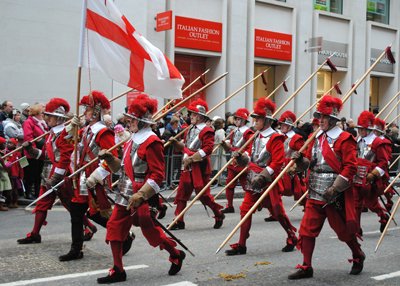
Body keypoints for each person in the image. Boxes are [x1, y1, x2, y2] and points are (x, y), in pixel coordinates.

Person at [96, 93, 185, 284]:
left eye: (132, 120)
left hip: (142, 194)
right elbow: (124, 168)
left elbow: (158, 176)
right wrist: (110, 159)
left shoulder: (152, 142)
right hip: (124, 192)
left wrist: (141, 194)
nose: (128, 122)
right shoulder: (132, 138)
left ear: (142, 121)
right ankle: (118, 269)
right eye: (129, 119)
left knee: (150, 230)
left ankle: (175, 253)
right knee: (114, 226)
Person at [288, 96, 364, 279]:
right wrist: (300, 160)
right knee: (306, 229)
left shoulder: (345, 139)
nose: (319, 120)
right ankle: (306, 266)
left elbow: (350, 167)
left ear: (333, 119)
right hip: (315, 189)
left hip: (333, 193)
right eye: (319, 116)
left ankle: (358, 254)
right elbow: (309, 163)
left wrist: (336, 188)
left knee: (343, 231)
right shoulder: (316, 137)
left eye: (323, 117)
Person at [59, 91, 133, 262]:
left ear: (97, 112)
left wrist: (96, 176)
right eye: (85, 108)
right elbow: (62, 143)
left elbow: (111, 158)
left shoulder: (103, 133)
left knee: (95, 213)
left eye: (89, 109)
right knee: (76, 212)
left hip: (94, 176)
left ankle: (125, 235)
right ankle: (76, 249)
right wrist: (70, 128)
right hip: (81, 176)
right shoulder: (84, 130)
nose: (85, 111)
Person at [225, 98, 297, 256]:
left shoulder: (276, 138)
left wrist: (263, 177)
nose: (254, 121)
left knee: (277, 212)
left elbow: (277, 163)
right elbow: (251, 157)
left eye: (257, 118)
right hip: (253, 178)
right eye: (255, 118)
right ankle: (242, 244)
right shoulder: (255, 136)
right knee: (245, 210)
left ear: (266, 120)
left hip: (268, 181)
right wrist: (241, 156)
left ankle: (291, 235)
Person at [17, 98, 79, 244]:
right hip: (47, 173)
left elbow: (64, 158)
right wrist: (30, 150)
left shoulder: (66, 133)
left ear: (58, 117)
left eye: (49, 116)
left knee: (71, 205)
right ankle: (35, 234)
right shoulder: (51, 133)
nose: (46, 118)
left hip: (61, 173)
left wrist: (56, 178)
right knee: (42, 204)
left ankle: (88, 228)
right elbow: (46, 155)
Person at [169, 99, 225, 230]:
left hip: (199, 167)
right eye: (191, 114)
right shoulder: (189, 130)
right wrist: (175, 143)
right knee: (182, 193)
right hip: (187, 166)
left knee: (203, 195)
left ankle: (218, 213)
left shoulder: (207, 131)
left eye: (193, 114)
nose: (190, 117)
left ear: (200, 116)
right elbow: (186, 146)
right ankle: (178, 220)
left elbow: (207, 149)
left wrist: (192, 158)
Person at [353, 111, 390, 234]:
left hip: (371, 178)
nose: (360, 131)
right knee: (356, 203)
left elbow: (383, 163)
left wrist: (373, 174)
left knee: (371, 203)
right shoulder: (357, 141)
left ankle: (383, 216)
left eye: (362, 129)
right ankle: (357, 228)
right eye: (359, 129)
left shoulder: (378, 142)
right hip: (358, 176)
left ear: (368, 129)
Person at [220, 108, 254, 213]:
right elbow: (231, 146)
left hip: (242, 161)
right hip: (233, 160)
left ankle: (253, 203)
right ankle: (229, 205)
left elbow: (250, 148)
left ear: (244, 121)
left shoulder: (248, 132)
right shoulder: (234, 131)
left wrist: (243, 155)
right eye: (236, 119)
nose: (237, 121)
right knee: (229, 183)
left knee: (246, 185)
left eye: (239, 119)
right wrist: (225, 144)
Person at [22, 103, 47, 199]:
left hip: (41, 153)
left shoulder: (41, 122)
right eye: (41, 113)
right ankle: (28, 193)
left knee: (38, 175)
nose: (43, 115)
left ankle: (37, 193)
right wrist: (35, 151)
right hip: (32, 154)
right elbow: (28, 137)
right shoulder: (28, 122)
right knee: (30, 175)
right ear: (36, 113)